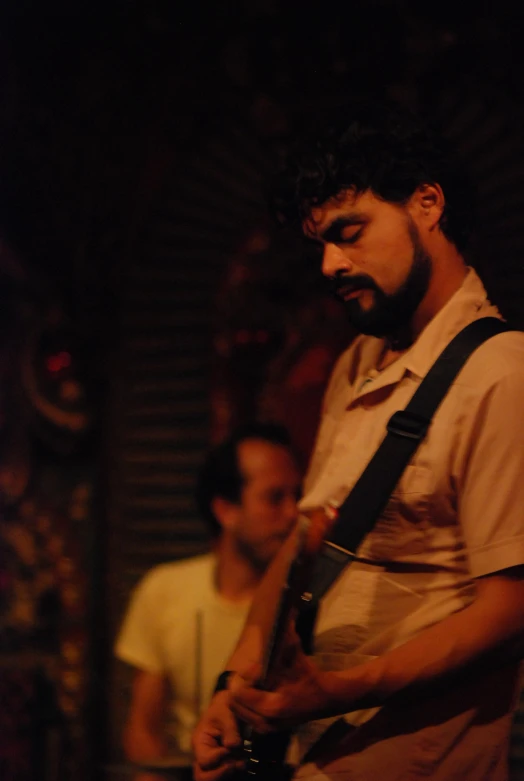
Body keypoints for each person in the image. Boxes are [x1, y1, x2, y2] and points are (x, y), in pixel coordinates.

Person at [191, 99, 524, 781]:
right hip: (314, 749)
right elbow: (306, 539)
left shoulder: (503, 371)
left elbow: (511, 610)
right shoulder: (356, 361)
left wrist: (346, 687)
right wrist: (236, 681)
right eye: (320, 243)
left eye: (350, 231)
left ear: (427, 205)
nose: (330, 264)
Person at [115, 422, 301, 772]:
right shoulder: (164, 589)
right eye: (275, 497)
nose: (293, 514)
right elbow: (142, 727)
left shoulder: (303, 601)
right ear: (225, 510)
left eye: (297, 496)